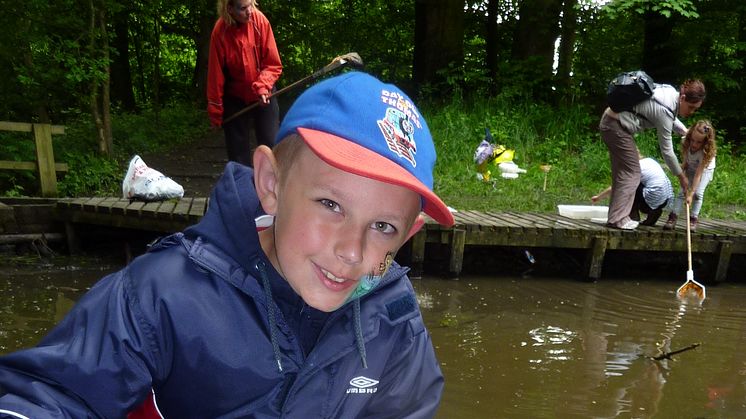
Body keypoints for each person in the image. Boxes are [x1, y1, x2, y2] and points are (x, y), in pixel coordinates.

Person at [0, 72, 455, 418]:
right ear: (270, 183)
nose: (353, 251)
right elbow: (47, 395)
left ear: (409, 234)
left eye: (382, 227)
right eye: (331, 205)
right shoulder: (161, 296)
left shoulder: (395, 322)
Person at [599, 78, 706, 230]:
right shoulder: (665, 110)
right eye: (691, 107)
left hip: (611, 123)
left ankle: (616, 217)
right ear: (682, 98)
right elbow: (667, 151)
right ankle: (618, 219)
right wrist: (681, 176)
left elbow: (670, 119)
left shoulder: (669, 92)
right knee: (632, 172)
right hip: (616, 127)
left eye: (695, 109)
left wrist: (686, 132)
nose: (691, 112)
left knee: (624, 172)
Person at [207, 0, 282, 166]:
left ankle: (274, 187)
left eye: (251, 5)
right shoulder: (220, 32)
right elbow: (215, 75)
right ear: (230, 9)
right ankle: (242, 188)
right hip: (234, 97)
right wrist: (215, 111)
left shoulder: (260, 21)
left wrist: (262, 87)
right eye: (243, 8)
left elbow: (273, 64)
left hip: (264, 91)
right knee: (237, 153)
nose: (249, 11)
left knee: (271, 144)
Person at [663, 120, 717, 231]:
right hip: (691, 165)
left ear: (705, 143)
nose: (694, 144)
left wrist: (691, 194)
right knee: (682, 192)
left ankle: (693, 219)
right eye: (692, 140)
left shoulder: (705, 152)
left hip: (704, 171)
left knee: (698, 193)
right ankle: (673, 217)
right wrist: (681, 171)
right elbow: (686, 160)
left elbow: (698, 174)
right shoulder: (686, 143)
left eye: (698, 142)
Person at [591, 155, 674, 226]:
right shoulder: (650, 160)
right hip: (666, 199)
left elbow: (617, 187)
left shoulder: (634, 168)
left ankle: (633, 216)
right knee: (640, 184)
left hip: (653, 197)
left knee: (628, 186)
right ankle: (654, 212)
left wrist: (598, 197)